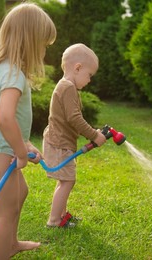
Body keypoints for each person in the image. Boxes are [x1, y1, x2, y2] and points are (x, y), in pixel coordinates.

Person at [0, 3, 56, 259]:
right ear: (29, 40)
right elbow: (5, 117)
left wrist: (25, 145)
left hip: (0, 145)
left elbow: (10, 121)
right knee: (7, 210)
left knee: (21, 193)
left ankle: (12, 243)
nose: (43, 50)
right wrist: (20, 152)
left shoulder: (5, 68)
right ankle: (2, 254)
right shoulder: (14, 74)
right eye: (42, 44)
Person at [43, 43, 106, 228]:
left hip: (60, 141)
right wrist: (94, 135)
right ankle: (54, 221)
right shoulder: (68, 87)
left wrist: (93, 133)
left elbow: (73, 118)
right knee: (68, 181)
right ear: (78, 68)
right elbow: (74, 118)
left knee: (65, 180)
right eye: (89, 75)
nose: (89, 80)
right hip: (59, 143)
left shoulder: (65, 86)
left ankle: (61, 216)